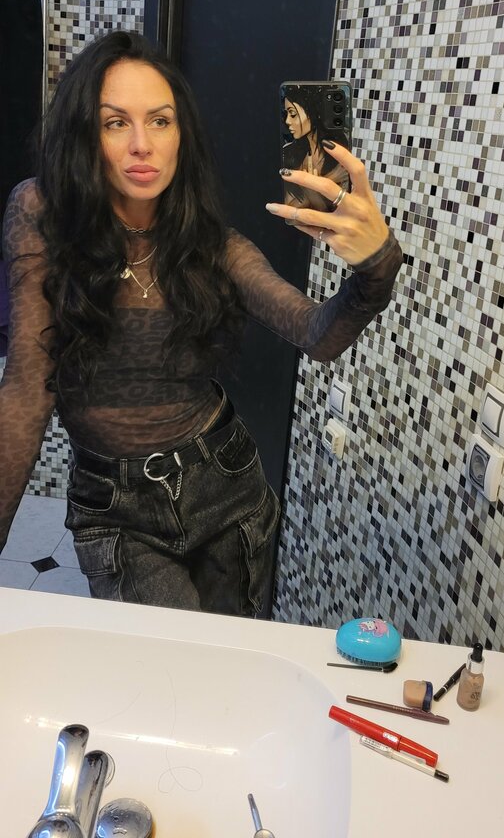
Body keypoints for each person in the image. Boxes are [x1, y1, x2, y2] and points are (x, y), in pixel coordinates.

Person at [0, 30, 403, 616]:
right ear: (85, 133)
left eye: (160, 121)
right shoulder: (41, 213)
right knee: (162, 663)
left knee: (228, 660)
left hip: (225, 489)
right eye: (115, 122)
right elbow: (24, 389)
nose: (142, 144)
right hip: (115, 508)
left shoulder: (214, 246)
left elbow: (318, 336)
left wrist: (376, 265)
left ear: (181, 135)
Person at [282, 84, 350, 211]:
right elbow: (289, 210)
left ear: (313, 112)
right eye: (286, 114)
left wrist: (310, 190)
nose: (287, 121)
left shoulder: (339, 154)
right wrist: (327, 180)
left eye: (293, 114)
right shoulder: (289, 153)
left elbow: (341, 210)